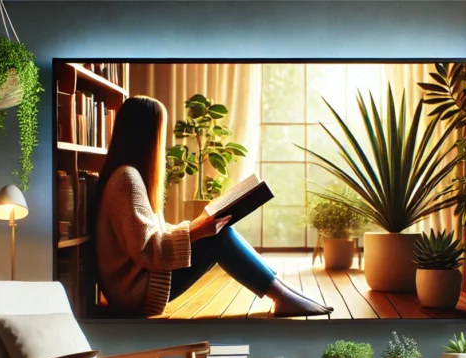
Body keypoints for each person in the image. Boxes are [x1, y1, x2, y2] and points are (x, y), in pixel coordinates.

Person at [95, 95, 332, 318]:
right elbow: (148, 250)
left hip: (141, 283)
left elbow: (150, 234)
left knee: (217, 232)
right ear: (146, 133)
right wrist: (197, 231)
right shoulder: (126, 179)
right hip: (136, 293)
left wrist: (196, 226)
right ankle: (282, 296)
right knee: (218, 237)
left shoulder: (129, 175)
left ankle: (285, 293)